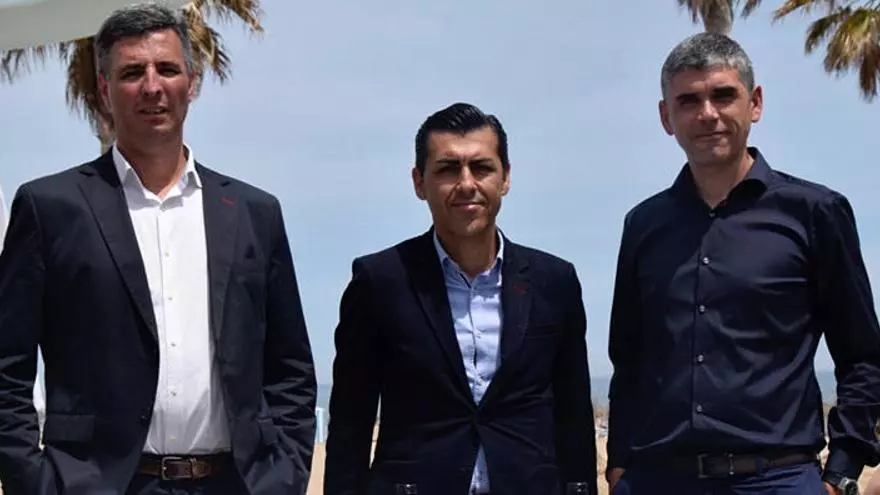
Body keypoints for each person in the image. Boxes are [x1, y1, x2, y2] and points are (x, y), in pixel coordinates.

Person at [0, 4, 317, 494]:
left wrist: (283, 477)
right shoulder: (51, 208)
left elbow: (290, 368)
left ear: (192, 82)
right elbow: (8, 367)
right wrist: (33, 482)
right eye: (132, 73)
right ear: (104, 89)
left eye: (167, 69)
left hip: (234, 484)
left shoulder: (253, 212)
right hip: (97, 485)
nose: (152, 86)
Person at [605, 32, 880, 494]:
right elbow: (628, 359)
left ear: (755, 104)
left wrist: (840, 472)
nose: (707, 113)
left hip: (777, 478)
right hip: (657, 479)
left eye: (723, 95)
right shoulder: (643, 225)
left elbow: (863, 357)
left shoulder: (814, 213)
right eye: (688, 101)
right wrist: (618, 465)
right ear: (666, 117)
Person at [323, 102, 598, 495]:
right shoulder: (380, 281)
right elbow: (351, 420)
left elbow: (574, 415)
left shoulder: (554, 282)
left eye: (481, 167)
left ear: (505, 178)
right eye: (448, 169)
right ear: (419, 182)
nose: (466, 183)